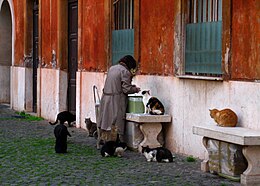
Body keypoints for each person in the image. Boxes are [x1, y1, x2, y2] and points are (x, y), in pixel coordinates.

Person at [97, 55, 140, 146]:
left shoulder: (112, 68)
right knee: (116, 121)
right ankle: (114, 142)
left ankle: (104, 139)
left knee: (106, 119)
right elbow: (126, 89)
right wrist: (135, 89)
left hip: (106, 97)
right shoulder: (125, 71)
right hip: (116, 99)